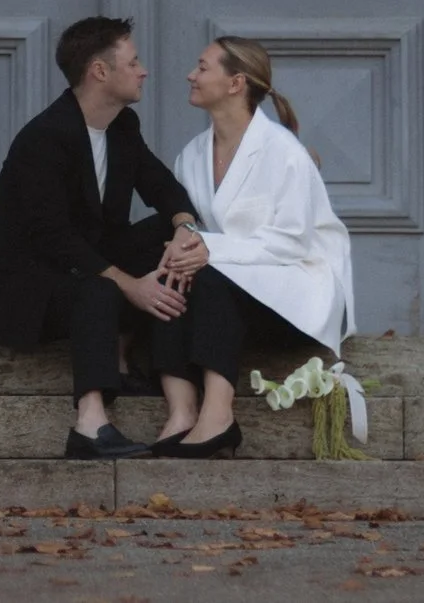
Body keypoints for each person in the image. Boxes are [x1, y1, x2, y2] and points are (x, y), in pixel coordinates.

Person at [0, 17, 212, 461]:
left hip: (77, 264)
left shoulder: (121, 126)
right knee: (98, 287)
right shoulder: (45, 138)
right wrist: (130, 285)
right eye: (133, 62)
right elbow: (52, 237)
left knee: (162, 236)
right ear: (99, 71)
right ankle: (90, 425)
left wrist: (184, 228)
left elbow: (161, 188)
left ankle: (125, 354)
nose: (144, 70)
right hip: (21, 285)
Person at [151, 36, 358, 458]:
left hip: (295, 293)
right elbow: (195, 236)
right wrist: (191, 248)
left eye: (203, 67)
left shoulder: (284, 152)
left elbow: (293, 241)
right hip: (226, 294)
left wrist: (210, 250)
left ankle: (219, 414)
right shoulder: (190, 156)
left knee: (208, 273)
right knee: (175, 268)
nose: (191, 75)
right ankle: (181, 409)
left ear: (235, 82)